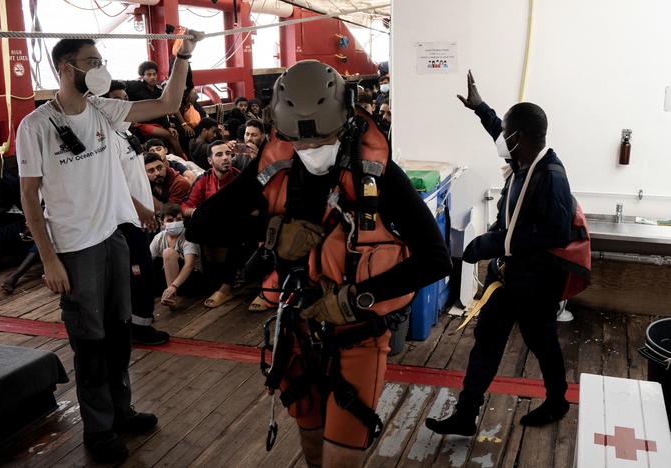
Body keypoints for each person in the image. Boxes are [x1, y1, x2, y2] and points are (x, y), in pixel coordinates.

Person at [186, 60, 451, 467]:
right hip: (297, 327)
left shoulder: (379, 176)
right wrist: (270, 229)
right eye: (301, 143)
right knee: (311, 444)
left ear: (345, 122)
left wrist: (358, 298)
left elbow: (436, 259)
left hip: (359, 333)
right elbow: (201, 226)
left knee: (341, 456)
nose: (312, 151)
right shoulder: (275, 169)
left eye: (322, 139)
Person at [16, 30, 203, 463]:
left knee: (119, 335)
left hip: (112, 238)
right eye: (92, 61)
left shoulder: (104, 110)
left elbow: (169, 103)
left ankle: (122, 411)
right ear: (67, 68)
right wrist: (49, 260)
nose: (100, 69)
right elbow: (29, 196)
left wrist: (184, 54)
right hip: (74, 250)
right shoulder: (36, 126)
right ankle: (98, 430)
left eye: (101, 60)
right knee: (91, 343)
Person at [426, 70, 574, 437]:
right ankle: (466, 413)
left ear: (519, 138)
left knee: (543, 344)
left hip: (538, 283)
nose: (501, 138)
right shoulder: (524, 159)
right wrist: (479, 108)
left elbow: (558, 232)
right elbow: (498, 130)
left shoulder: (551, 176)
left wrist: (495, 243)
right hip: (507, 277)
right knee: (487, 340)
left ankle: (557, 400)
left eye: (508, 133)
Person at [105, 82, 170, 346]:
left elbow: (135, 179)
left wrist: (152, 205)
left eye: (125, 100)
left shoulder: (126, 134)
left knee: (143, 274)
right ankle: (138, 328)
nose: (124, 106)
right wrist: (141, 209)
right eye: (116, 101)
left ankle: (140, 322)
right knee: (138, 274)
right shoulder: (109, 140)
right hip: (126, 218)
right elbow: (114, 184)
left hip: (140, 215)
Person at [181, 140, 240, 308]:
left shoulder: (238, 178)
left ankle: (226, 287)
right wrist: (196, 212)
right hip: (212, 227)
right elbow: (186, 206)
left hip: (235, 228)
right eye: (219, 155)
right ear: (210, 160)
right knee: (193, 226)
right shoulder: (204, 180)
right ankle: (207, 281)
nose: (225, 158)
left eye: (228, 154)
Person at [125, 61, 185, 157]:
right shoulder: (135, 86)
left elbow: (163, 111)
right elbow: (120, 88)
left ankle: (174, 158)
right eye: (148, 75)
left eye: (154, 74)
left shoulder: (158, 91)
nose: (152, 77)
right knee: (170, 136)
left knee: (174, 133)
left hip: (156, 123)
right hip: (142, 124)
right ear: (142, 76)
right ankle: (183, 159)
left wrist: (168, 126)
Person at [150, 203, 202, 309]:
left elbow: (189, 264)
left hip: (190, 279)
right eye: (170, 220)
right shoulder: (159, 238)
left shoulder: (188, 236)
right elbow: (147, 260)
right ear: (162, 222)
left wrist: (173, 287)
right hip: (169, 279)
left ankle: (171, 297)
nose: (175, 223)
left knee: (168, 253)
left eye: (178, 219)